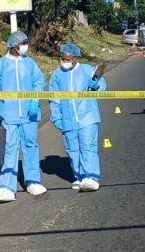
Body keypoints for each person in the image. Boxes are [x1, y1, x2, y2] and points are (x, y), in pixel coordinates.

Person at [0, 31, 47, 202]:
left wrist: (35, 99)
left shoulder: (29, 63)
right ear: (14, 45)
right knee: (9, 149)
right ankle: (7, 187)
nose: (26, 46)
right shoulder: (0, 65)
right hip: (9, 115)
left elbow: (39, 81)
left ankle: (33, 181)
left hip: (29, 115)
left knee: (31, 146)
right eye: (23, 43)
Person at [49, 43, 107, 192]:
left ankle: (91, 176)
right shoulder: (57, 74)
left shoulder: (86, 70)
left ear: (75, 58)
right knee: (72, 149)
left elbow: (102, 86)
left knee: (87, 147)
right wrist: (56, 117)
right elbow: (54, 98)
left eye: (68, 59)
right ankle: (79, 176)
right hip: (67, 118)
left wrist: (95, 85)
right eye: (63, 58)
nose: (65, 61)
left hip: (87, 116)